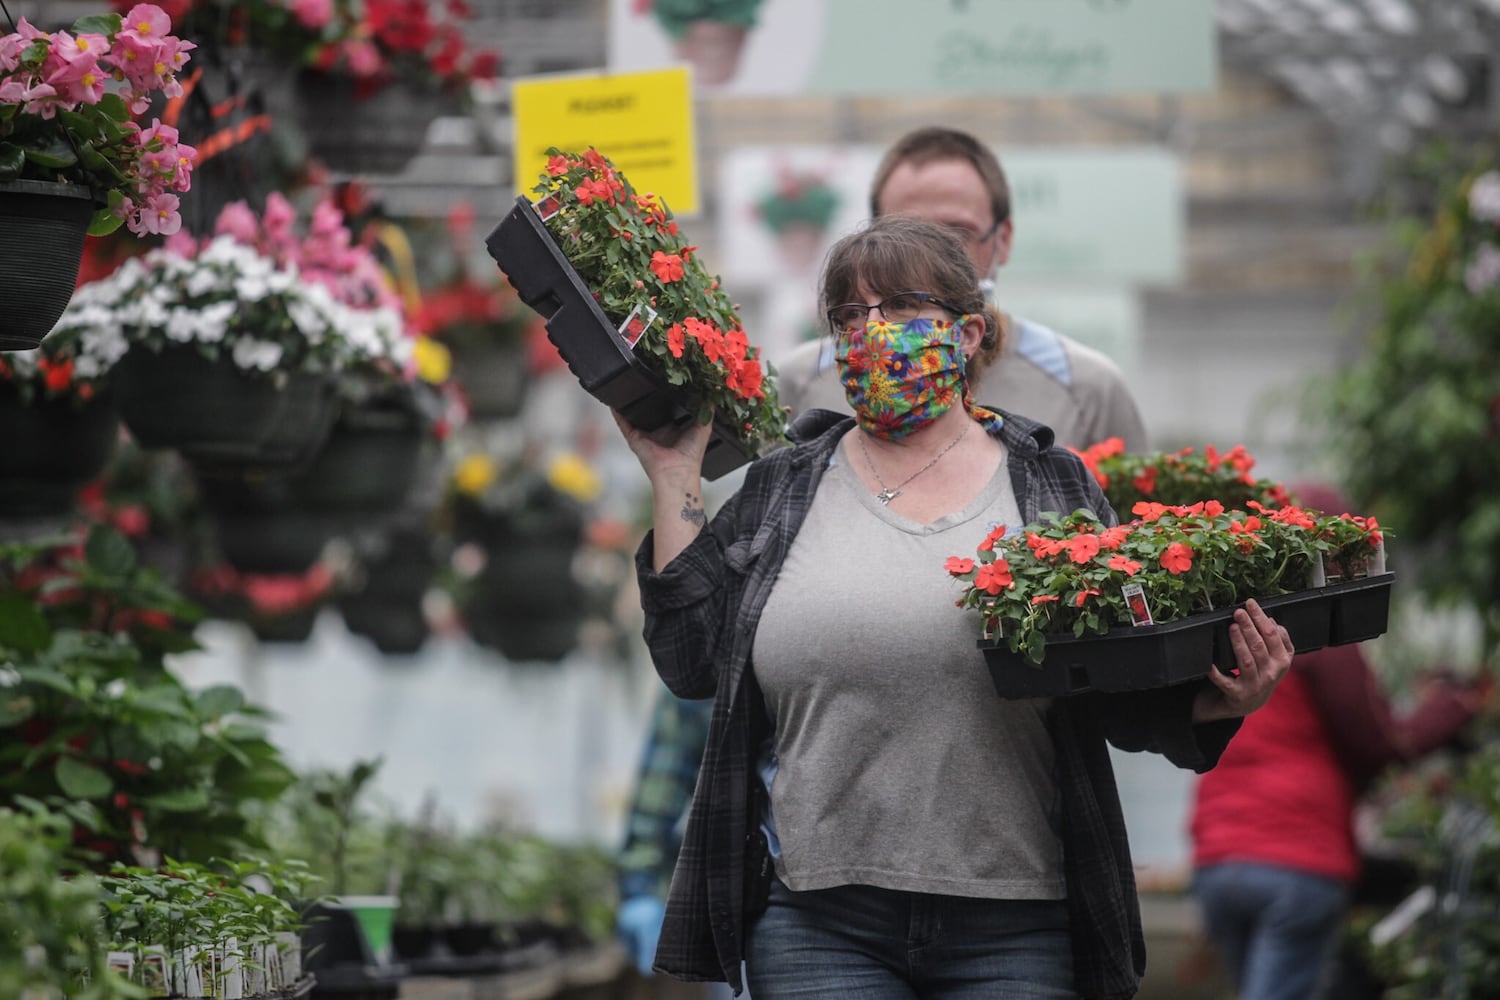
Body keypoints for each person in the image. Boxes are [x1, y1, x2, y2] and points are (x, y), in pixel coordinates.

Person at [613, 215, 1295, 998]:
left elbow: (1118, 688)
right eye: (848, 316)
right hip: (817, 923)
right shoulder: (785, 488)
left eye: (900, 308)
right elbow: (691, 659)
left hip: (1017, 923)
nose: (871, 332)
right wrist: (673, 477)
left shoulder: (1050, 487)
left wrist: (1218, 699)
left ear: (968, 333)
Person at [1188, 482, 1484, 1000]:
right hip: (1297, 861)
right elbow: (1380, 741)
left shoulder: (1231, 624)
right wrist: (1457, 704)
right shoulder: (1317, 628)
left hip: (1219, 860)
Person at [774, 125, 1147, 453]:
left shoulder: (1088, 388)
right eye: (903, 235)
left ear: (1002, 239)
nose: (931, 255)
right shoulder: (801, 381)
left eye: (957, 233)